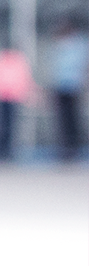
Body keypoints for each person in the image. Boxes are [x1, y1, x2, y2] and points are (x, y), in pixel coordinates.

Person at [0, 42, 34, 161]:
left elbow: (22, 78)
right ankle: (1, 150)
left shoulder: (16, 60)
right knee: (1, 126)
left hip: (13, 98)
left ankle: (9, 150)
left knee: (11, 126)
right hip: (0, 97)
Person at [50, 18, 86, 162]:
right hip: (60, 87)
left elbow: (83, 66)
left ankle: (74, 149)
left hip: (74, 87)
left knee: (73, 119)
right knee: (62, 120)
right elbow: (55, 68)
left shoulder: (80, 44)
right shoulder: (59, 45)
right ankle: (64, 149)